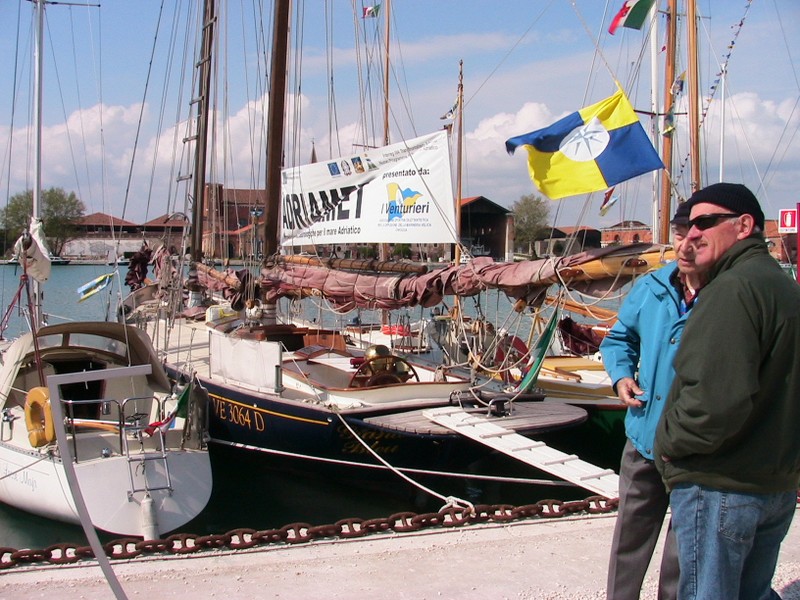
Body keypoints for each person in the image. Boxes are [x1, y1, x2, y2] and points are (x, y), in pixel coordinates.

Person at [654, 182, 800, 600]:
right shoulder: (783, 288)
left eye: (705, 222)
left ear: (743, 226)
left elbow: (715, 399)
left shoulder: (733, 290)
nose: (692, 232)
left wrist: (670, 445)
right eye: (688, 224)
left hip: (721, 483)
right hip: (773, 484)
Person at [601, 201, 706, 600]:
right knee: (629, 539)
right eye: (679, 234)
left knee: (682, 556)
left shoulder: (726, 297)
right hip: (644, 436)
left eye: (695, 236)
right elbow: (619, 338)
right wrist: (622, 375)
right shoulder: (652, 287)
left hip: (694, 447)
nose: (686, 245)